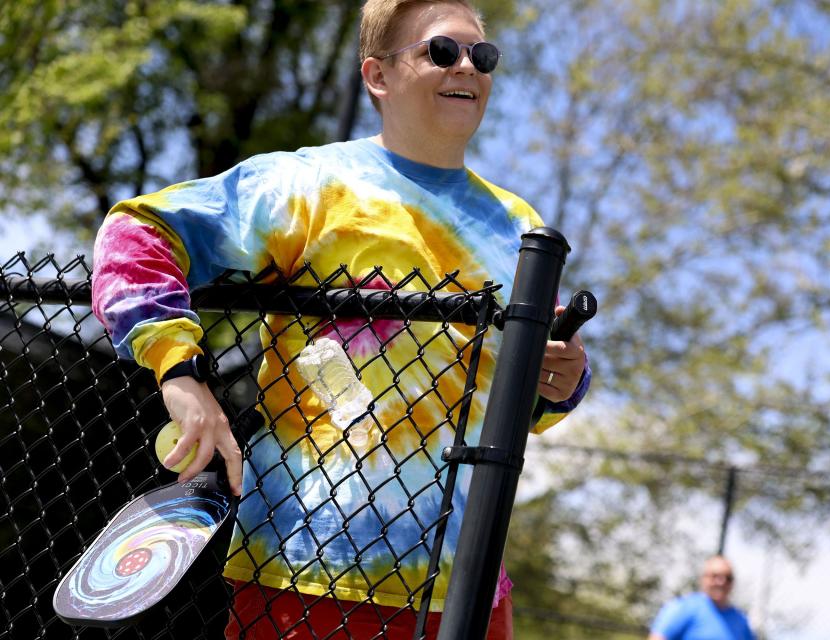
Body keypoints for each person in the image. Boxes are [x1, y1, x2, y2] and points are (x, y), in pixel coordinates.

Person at [90, 0, 590, 638]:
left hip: (470, 589)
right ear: (378, 76)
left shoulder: (518, 225)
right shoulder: (310, 185)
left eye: (481, 56)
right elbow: (137, 232)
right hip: (307, 577)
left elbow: (538, 396)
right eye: (442, 51)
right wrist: (179, 373)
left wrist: (564, 380)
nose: (467, 65)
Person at [648, 556, 755, 640]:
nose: (721, 582)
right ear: (703, 579)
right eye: (714, 576)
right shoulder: (684, 607)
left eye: (727, 578)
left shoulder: (741, 620)